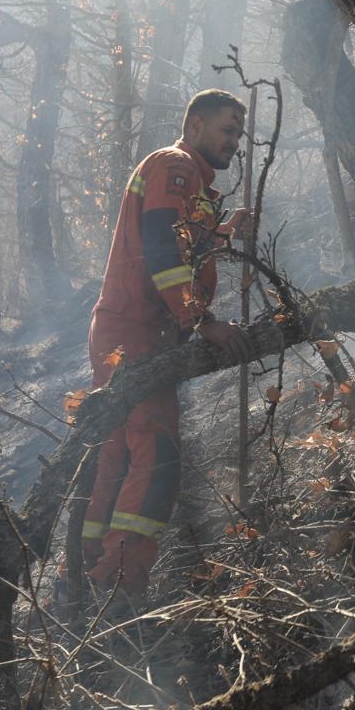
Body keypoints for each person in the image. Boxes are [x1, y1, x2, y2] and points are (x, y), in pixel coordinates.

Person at [80, 89, 252, 597]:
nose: (235, 142)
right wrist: (203, 321)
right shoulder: (175, 167)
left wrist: (223, 233)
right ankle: (119, 584)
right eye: (227, 130)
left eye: (239, 134)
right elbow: (160, 251)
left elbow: (177, 241)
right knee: (156, 457)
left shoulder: (186, 180)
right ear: (195, 125)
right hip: (135, 333)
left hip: (129, 330)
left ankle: (83, 578)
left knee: (117, 456)